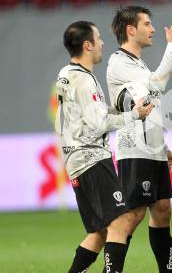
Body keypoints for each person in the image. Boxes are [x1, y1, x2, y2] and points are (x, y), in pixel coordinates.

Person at [55, 21, 153, 273]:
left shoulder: (68, 74)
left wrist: (124, 110)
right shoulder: (84, 81)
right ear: (87, 45)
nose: (102, 43)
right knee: (121, 221)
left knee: (99, 231)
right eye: (98, 39)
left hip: (75, 159)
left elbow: (90, 114)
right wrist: (135, 115)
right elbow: (99, 123)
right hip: (91, 158)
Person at [106, 6, 172, 273]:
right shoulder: (119, 62)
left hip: (151, 150)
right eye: (147, 24)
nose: (153, 30)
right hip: (134, 149)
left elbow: (149, 107)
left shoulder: (137, 64)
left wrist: (162, 148)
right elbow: (156, 85)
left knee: (162, 209)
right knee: (133, 214)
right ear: (131, 29)